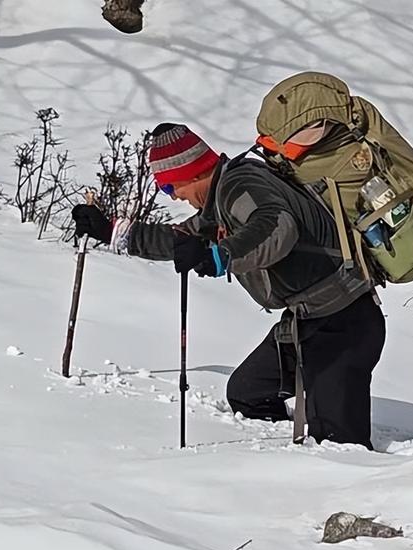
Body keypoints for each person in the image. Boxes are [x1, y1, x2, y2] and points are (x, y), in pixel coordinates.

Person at [72, 123, 386, 449]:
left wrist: (221, 256)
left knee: (340, 447)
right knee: (248, 394)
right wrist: (112, 231)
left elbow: (278, 226)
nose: (175, 197)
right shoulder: (222, 201)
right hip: (306, 322)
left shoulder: (240, 184)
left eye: (169, 188)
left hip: (344, 323)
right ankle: (272, 458)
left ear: (191, 173)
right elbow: (182, 240)